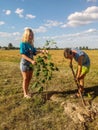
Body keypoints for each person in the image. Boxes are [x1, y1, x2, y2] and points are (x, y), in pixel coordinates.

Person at [20, 28, 47, 99]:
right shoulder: (23, 44)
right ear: (26, 35)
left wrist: (42, 51)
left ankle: (27, 91)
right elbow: (23, 55)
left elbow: (35, 52)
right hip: (25, 64)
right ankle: (25, 94)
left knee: (29, 78)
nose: (31, 37)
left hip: (31, 64)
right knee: (25, 78)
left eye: (32, 35)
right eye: (29, 35)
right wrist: (31, 60)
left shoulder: (31, 44)